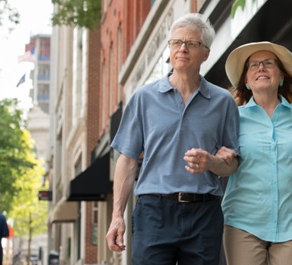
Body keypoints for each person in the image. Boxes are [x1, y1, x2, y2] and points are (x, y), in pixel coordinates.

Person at [105, 13, 240, 265]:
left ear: (206, 53)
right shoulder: (143, 98)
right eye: (176, 42)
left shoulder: (223, 102)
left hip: (204, 212)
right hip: (153, 212)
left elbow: (232, 163)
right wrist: (116, 216)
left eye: (191, 43)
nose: (182, 48)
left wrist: (212, 162)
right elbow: (127, 161)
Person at [217, 41, 292, 265]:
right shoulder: (232, 118)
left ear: (281, 77)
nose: (261, 68)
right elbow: (224, 162)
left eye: (268, 63)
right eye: (253, 65)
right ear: (246, 82)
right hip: (243, 222)